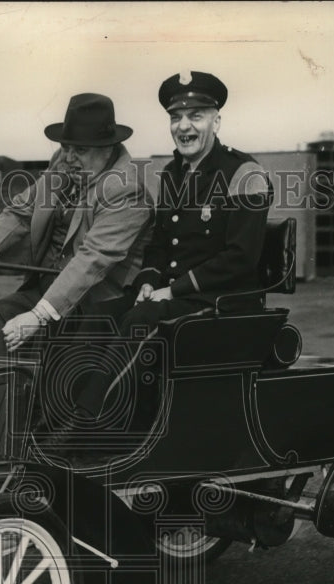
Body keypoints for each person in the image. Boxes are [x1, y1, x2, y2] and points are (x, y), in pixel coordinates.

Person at [69, 70, 275, 425]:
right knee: (100, 315)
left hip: (223, 303)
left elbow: (240, 258)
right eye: (176, 117)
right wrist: (149, 281)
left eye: (196, 116)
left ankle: (86, 426)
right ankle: (66, 415)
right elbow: (162, 243)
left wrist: (172, 290)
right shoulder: (172, 174)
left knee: (139, 321)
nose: (184, 126)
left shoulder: (245, 173)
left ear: (217, 120)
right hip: (178, 296)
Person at [0, 93, 151, 356]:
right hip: (49, 288)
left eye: (80, 150)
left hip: (96, 302)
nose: (69, 157)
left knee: (51, 352)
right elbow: (22, 208)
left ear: (107, 148)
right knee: (5, 311)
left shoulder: (126, 189)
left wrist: (37, 316)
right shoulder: (64, 165)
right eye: (65, 147)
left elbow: (92, 260)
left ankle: (29, 394)